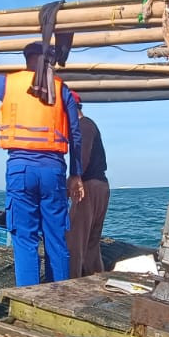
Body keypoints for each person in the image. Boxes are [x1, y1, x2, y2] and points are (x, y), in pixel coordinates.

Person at [0, 37, 84, 286]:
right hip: (53, 170)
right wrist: (76, 174)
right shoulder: (62, 89)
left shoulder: (8, 84)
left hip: (20, 169)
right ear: (46, 59)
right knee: (56, 239)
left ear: (26, 59)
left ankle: (27, 297)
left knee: (24, 238)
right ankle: (57, 295)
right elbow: (76, 135)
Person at [65, 91, 109, 278]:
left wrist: (71, 181)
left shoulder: (83, 127)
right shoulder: (89, 125)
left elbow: (81, 160)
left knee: (74, 241)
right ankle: (96, 280)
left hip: (88, 188)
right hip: (101, 186)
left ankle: (70, 283)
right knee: (91, 242)